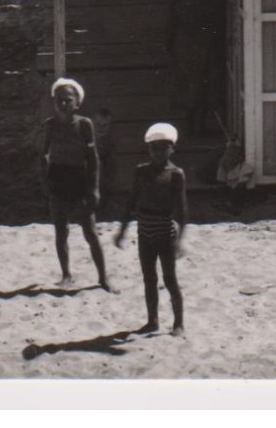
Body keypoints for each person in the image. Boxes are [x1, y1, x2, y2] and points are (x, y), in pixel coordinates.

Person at [115, 123, 188, 336]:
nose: (157, 153)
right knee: (149, 278)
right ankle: (152, 320)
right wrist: (122, 230)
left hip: (165, 231)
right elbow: (131, 202)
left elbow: (182, 210)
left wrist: (180, 240)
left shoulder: (176, 174)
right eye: (153, 148)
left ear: (172, 148)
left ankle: (178, 323)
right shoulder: (141, 171)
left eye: (163, 148)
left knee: (169, 278)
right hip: (144, 230)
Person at [41, 78, 111, 291]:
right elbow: (43, 154)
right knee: (61, 231)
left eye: (68, 100)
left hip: (79, 180)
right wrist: (45, 180)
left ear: (77, 103)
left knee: (90, 232)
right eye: (59, 100)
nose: (63, 104)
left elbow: (93, 159)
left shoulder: (84, 125)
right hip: (58, 178)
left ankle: (103, 278)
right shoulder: (50, 125)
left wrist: (95, 187)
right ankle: (66, 274)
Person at [165, 0, 227, 134]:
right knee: (205, 85)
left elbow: (170, 21)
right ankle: (199, 125)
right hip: (208, 44)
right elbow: (221, 21)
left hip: (184, 43)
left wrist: (169, 43)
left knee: (188, 84)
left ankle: (191, 123)